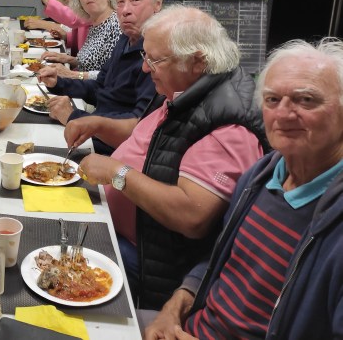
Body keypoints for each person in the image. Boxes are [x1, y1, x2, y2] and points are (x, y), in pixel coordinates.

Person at [144, 38, 343, 340]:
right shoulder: (260, 176)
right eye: (272, 100)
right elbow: (218, 260)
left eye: (306, 100)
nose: (283, 114)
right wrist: (174, 308)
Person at [76, 6, 268, 310]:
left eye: (154, 60)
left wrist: (117, 173)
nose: (145, 68)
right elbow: (152, 147)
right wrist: (100, 126)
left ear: (198, 61)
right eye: (145, 56)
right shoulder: (183, 88)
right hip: (117, 229)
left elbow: (192, 216)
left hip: (145, 263)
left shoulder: (229, 125)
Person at [38, 0, 163, 155]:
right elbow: (99, 87)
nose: (125, 10)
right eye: (120, 2)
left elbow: (139, 129)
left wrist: (74, 116)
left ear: (157, 4)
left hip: (112, 151)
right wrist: (58, 84)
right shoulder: (125, 39)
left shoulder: (159, 56)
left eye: (135, 1)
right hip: (95, 131)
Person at [39, 0, 121, 78]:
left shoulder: (116, 26)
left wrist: (72, 74)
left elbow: (113, 76)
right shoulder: (96, 24)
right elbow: (92, 62)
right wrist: (67, 59)